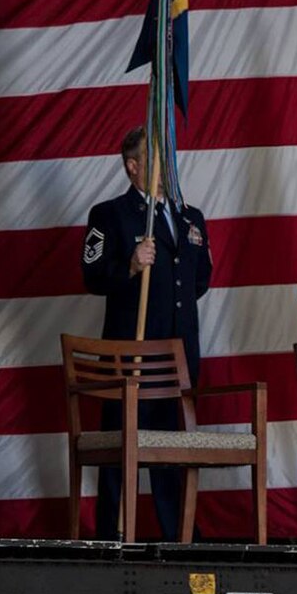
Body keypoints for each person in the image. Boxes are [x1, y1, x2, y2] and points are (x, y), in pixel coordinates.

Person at [78, 126, 213, 540]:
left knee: (171, 449)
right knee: (123, 448)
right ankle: (112, 537)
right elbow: (92, 275)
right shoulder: (110, 214)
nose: (166, 167)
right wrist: (131, 266)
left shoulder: (190, 216)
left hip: (179, 354)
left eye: (169, 158)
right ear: (133, 166)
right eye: (156, 160)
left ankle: (176, 538)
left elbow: (200, 278)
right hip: (132, 354)